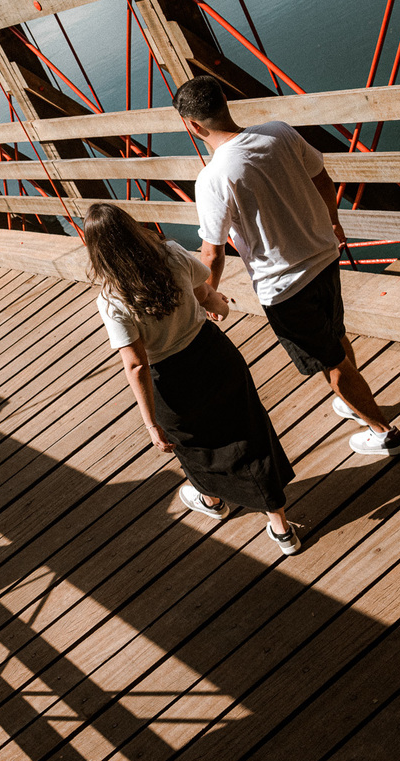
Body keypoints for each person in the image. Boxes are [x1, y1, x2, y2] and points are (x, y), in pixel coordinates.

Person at [172, 75, 400, 457]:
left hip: (283, 286)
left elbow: (212, 254)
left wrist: (207, 296)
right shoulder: (278, 132)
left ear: (192, 125)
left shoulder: (212, 178)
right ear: (225, 102)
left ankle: (384, 432)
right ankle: (352, 403)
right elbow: (322, 177)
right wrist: (332, 220)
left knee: (331, 362)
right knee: (335, 335)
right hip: (324, 257)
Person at [86, 203, 300, 555]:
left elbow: (136, 364)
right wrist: (222, 305)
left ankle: (212, 499)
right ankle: (280, 526)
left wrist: (151, 422)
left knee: (193, 444)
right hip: (212, 353)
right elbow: (206, 296)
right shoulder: (171, 253)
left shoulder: (112, 300)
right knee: (248, 429)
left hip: (171, 379)